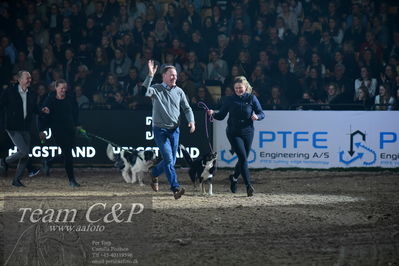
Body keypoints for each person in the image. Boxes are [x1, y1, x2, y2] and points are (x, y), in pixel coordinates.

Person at [143, 60, 195, 199]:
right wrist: (150, 75)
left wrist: (191, 121)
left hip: (175, 130)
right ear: (164, 76)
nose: (174, 77)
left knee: (170, 161)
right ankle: (175, 188)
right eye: (171, 75)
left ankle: (154, 173)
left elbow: (187, 108)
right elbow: (144, 91)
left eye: (175, 75)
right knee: (168, 158)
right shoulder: (156, 89)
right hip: (160, 131)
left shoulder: (179, 91)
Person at [207, 76, 265, 197]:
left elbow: (261, 113)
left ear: (246, 87)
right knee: (243, 158)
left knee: (243, 159)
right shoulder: (230, 99)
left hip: (248, 132)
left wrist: (257, 117)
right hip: (233, 132)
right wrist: (213, 114)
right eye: (236, 88)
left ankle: (234, 178)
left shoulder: (251, 98)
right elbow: (221, 115)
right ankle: (248, 186)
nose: (238, 90)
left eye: (240, 88)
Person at [0, 70, 39, 186]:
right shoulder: (10, 92)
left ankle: (16, 180)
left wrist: (42, 110)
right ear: (19, 79)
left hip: (26, 127)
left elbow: (35, 109)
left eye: (30, 78)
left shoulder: (32, 93)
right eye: (27, 78)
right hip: (12, 127)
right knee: (24, 151)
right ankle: (4, 161)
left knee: (25, 155)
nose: (29, 80)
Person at [39, 79, 81, 187]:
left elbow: (75, 112)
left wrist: (77, 125)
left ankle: (49, 162)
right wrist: (42, 129)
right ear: (56, 88)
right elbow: (43, 115)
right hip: (57, 130)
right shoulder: (50, 99)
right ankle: (71, 180)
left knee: (67, 153)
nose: (63, 90)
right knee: (68, 153)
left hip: (70, 129)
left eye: (65, 88)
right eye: (61, 88)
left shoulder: (70, 98)